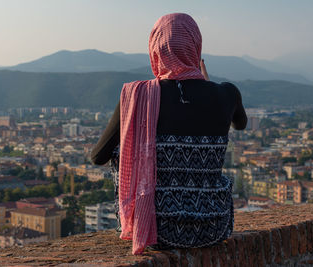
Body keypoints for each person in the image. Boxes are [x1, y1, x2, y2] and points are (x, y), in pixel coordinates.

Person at [91, 13, 247, 255]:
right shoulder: (227, 94)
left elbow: (98, 156)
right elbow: (240, 124)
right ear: (196, 47)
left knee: (124, 151)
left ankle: (139, 214)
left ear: (155, 51)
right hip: (215, 226)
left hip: (157, 231)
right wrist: (208, 86)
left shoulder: (136, 97)